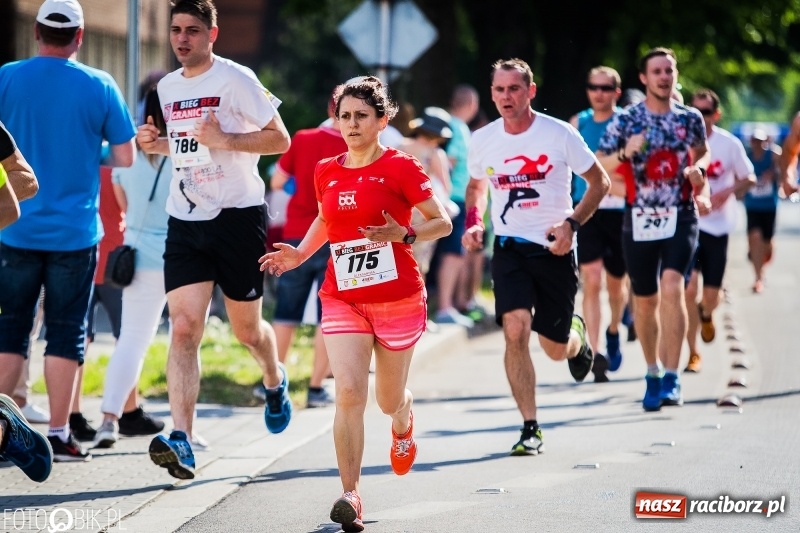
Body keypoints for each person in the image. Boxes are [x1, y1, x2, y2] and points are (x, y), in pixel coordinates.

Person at [260, 76, 452, 533]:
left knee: (386, 400)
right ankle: (350, 493)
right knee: (348, 392)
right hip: (343, 296)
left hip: (398, 298)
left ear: (383, 121)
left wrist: (403, 234)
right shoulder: (326, 167)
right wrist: (300, 254)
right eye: (344, 116)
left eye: (361, 116)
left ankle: (403, 421)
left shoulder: (402, 167)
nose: (351, 124)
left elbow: (441, 222)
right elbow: (327, 218)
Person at [136, 0, 292, 480]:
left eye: (193, 31)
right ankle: (181, 437)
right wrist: (155, 145)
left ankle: (274, 376)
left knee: (247, 331)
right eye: (177, 30)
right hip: (185, 217)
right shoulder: (165, 87)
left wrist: (226, 138)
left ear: (212, 34)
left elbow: (279, 139)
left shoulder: (237, 79)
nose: (183, 39)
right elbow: (188, 147)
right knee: (184, 328)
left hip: (237, 217)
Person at [0, 0, 137, 462]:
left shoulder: (6, 76)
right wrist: (87, 143)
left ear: (37, 32)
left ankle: (2, 432)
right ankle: (58, 434)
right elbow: (125, 158)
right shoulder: (100, 84)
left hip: (13, 226)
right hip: (76, 233)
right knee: (65, 333)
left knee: (11, 329)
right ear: (79, 37)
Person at [463, 58, 608, 456]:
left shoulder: (559, 134)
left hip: (554, 248)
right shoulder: (484, 139)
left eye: (514, 89)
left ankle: (576, 339)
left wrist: (572, 225)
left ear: (531, 91)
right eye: (499, 90)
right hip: (509, 248)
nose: (505, 97)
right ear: (490, 94)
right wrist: (475, 222)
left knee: (555, 348)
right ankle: (530, 426)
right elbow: (477, 187)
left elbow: (600, 182)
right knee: (514, 329)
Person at [596, 47, 710, 411]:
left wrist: (699, 170)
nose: (664, 76)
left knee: (673, 285)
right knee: (645, 302)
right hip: (639, 216)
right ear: (644, 78)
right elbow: (601, 164)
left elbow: (702, 151)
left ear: (675, 75)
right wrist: (626, 153)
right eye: (657, 71)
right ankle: (652, 372)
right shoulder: (627, 120)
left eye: (669, 70)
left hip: (680, 213)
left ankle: (673, 377)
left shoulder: (690, 118)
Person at [95, 87, 174, 449]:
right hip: (180, 255)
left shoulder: (125, 159)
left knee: (131, 341)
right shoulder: (186, 157)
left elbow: (124, 208)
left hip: (137, 257)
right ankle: (186, 427)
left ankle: (109, 419)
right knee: (184, 342)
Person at [269, 88, 347, 409]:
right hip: (338, 237)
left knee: (286, 311)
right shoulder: (356, 143)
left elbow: (275, 182)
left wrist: (298, 185)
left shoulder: (302, 138)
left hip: (297, 234)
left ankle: (271, 383)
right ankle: (316, 388)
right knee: (329, 316)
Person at [683, 89, 754, 373]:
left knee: (710, 295)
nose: (702, 118)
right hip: (688, 226)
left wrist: (725, 193)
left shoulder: (729, 143)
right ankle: (692, 353)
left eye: (707, 113)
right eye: (696, 112)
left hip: (718, 227)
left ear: (717, 114)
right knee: (688, 290)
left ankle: (706, 313)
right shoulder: (681, 141)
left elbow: (749, 177)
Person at [568, 66, 629, 383]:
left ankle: (615, 328)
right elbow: (573, 167)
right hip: (587, 208)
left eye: (606, 88)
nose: (599, 92)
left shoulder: (627, 122)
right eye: (594, 87)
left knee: (616, 285)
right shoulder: (579, 123)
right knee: (592, 279)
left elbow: (629, 168)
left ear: (616, 92)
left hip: (621, 211)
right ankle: (595, 350)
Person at [435, 85, 481, 327]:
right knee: (452, 253)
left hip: (452, 199)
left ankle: (448, 305)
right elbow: (449, 161)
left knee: (454, 253)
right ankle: (445, 307)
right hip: (454, 199)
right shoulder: (458, 128)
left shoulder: (452, 125)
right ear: (471, 105)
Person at [400, 107, 455, 278]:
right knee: (418, 263)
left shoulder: (400, 146)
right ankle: (418, 302)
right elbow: (447, 187)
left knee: (398, 257)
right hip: (424, 212)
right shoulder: (436, 153)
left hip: (399, 209)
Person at [745, 129, 782, 293]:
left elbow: (783, 160)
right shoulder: (746, 157)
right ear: (751, 142)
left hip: (769, 206)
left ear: (765, 141)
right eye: (754, 141)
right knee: (754, 237)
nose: (757, 144)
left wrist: (772, 173)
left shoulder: (772, 155)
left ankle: (762, 254)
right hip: (752, 206)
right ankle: (758, 278)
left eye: (760, 141)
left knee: (766, 243)